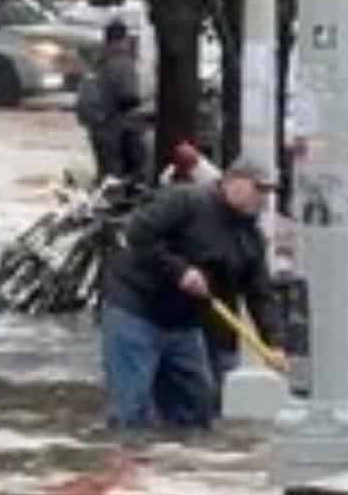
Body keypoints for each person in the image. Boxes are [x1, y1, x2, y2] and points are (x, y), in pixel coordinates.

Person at [99, 157, 276, 430]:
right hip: (136, 311)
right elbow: (138, 233)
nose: (264, 199)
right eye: (259, 189)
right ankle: (127, 464)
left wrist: (274, 342)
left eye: (269, 192)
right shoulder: (186, 201)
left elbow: (259, 292)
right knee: (131, 408)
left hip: (184, 324)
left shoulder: (251, 238)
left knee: (197, 405)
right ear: (233, 182)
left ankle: (181, 466)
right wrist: (180, 270)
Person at [75, 22, 149, 183]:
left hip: (98, 128)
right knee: (123, 177)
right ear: (124, 39)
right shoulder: (123, 62)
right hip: (117, 129)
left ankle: (102, 203)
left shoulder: (99, 61)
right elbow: (129, 97)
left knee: (106, 175)